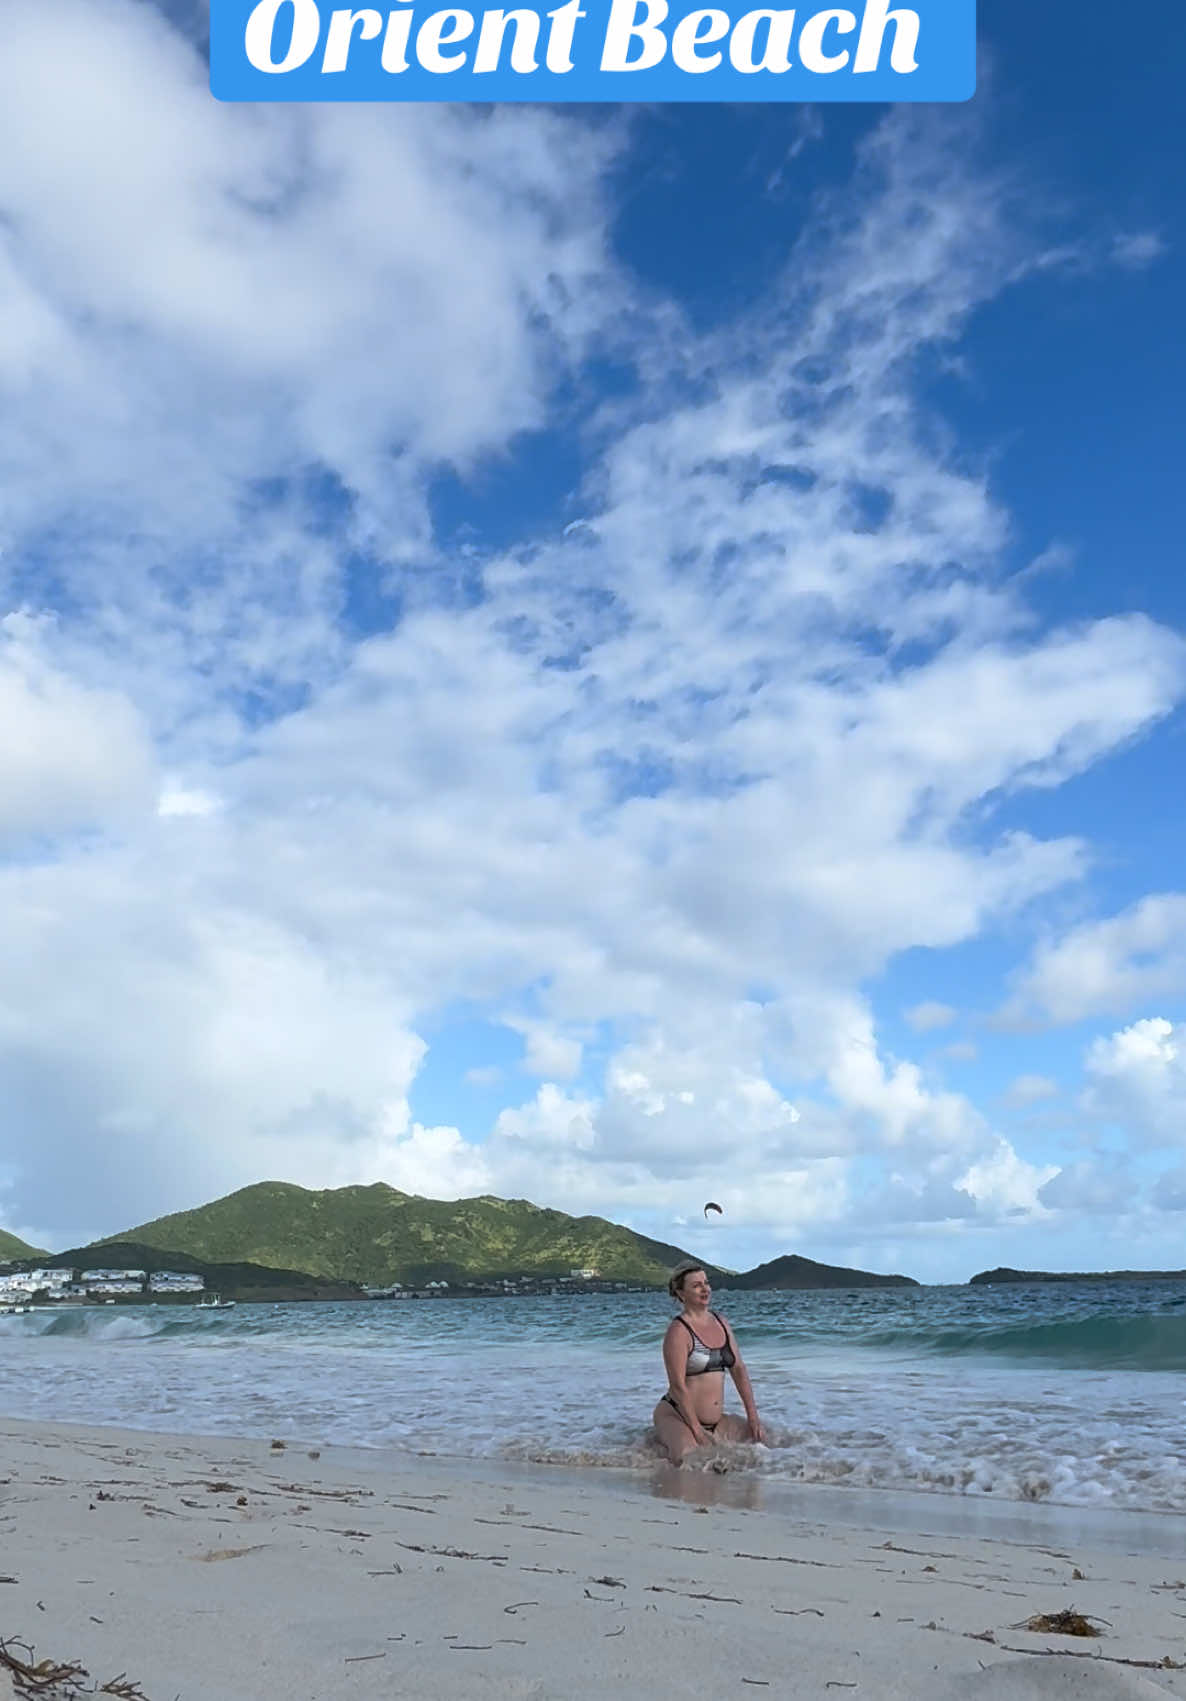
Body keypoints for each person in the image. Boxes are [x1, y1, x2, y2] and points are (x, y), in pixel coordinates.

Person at [653, 1260, 765, 1464]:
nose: (704, 1289)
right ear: (681, 1293)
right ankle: (655, 1449)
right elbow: (677, 1387)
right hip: (678, 1416)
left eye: (706, 1282)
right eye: (696, 1285)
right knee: (690, 1458)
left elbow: (739, 1370)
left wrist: (753, 1417)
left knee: (762, 1443)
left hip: (716, 1421)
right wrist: (696, 1430)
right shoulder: (678, 1331)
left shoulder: (721, 1322)